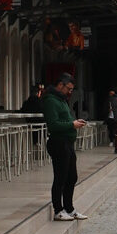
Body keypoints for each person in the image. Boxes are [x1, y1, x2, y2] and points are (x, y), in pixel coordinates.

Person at [43, 77, 88, 221]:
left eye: (71, 89)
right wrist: (71, 125)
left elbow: (65, 119)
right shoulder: (51, 100)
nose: (69, 92)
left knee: (72, 176)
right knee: (60, 177)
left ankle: (69, 208)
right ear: (60, 85)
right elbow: (53, 124)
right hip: (58, 142)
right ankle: (58, 209)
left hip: (68, 142)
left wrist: (74, 122)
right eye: (68, 88)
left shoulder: (62, 99)